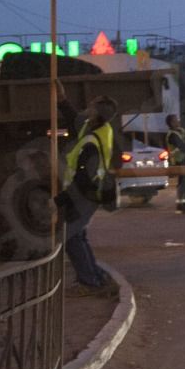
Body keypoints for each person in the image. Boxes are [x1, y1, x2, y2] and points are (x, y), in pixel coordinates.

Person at [61, 97, 119, 295]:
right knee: (78, 236)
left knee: (70, 238)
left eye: (92, 106)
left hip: (84, 196)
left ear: (96, 114)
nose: (87, 107)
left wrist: (60, 200)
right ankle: (96, 277)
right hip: (90, 194)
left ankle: (89, 282)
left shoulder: (91, 142)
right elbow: (76, 121)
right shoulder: (101, 130)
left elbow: (83, 178)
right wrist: (63, 100)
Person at [166, 111, 185, 213]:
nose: (178, 121)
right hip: (179, 161)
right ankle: (181, 205)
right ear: (171, 123)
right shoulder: (172, 135)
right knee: (184, 183)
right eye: (175, 120)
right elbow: (182, 146)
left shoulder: (182, 131)